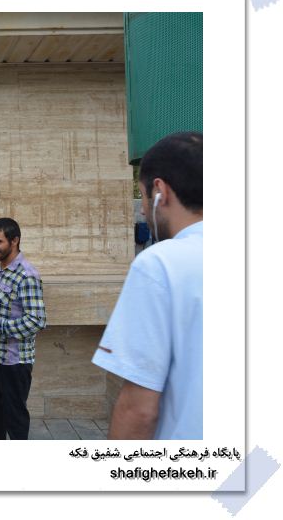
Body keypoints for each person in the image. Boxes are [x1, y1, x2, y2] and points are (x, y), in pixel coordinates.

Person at [92, 131, 203, 439]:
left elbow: (138, 409)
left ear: (159, 192)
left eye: (141, 196)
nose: (142, 210)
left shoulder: (159, 264)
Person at [0, 218, 46, 440]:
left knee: (15, 417)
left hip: (15, 362)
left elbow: (36, 321)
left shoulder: (27, 275)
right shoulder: (2, 270)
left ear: (15, 240)